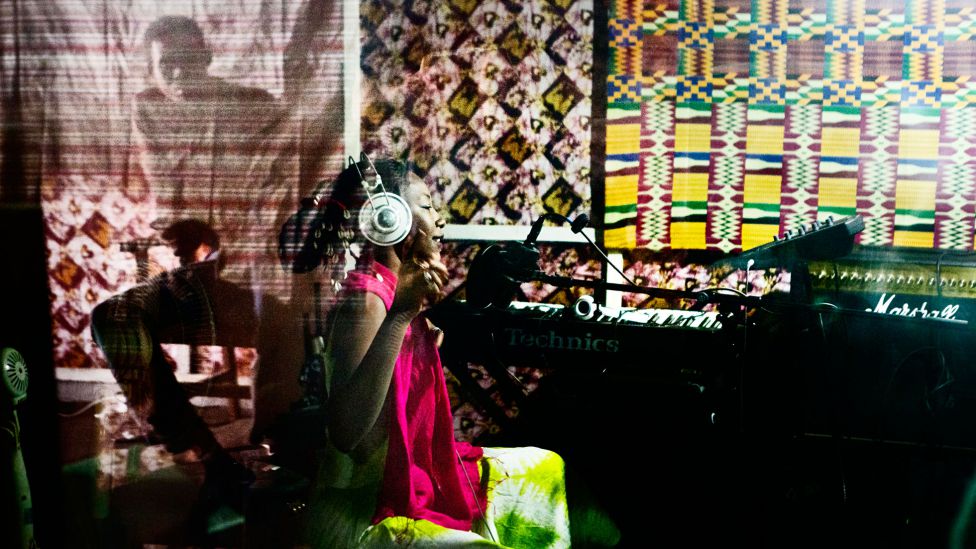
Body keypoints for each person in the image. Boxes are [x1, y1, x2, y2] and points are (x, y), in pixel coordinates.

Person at [291, 157, 572, 547]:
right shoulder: (368, 300)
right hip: (362, 507)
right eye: (426, 205)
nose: (440, 220)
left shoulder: (392, 289)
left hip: (401, 479)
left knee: (548, 466)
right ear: (391, 217)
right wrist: (401, 318)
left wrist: (414, 347)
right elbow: (346, 432)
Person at [128, 15, 279, 282]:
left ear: (206, 58)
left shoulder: (253, 104)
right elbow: (162, 185)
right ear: (150, 70)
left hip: (245, 242)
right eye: (166, 64)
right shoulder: (147, 108)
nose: (179, 73)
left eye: (188, 60)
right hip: (189, 244)